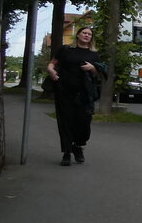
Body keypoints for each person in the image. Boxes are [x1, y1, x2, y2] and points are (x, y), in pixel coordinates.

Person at [46, 25, 107, 166]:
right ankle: (66, 153)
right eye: (84, 33)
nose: (86, 36)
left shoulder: (93, 55)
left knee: (83, 123)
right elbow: (51, 64)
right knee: (65, 121)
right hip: (64, 91)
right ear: (78, 35)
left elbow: (100, 74)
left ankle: (77, 146)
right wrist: (51, 72)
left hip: (84, 94)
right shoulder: (66, 50)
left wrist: (93, 68)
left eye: (89, 34)